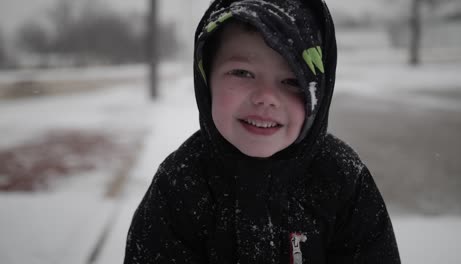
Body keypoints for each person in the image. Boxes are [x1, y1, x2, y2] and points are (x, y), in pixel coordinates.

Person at [124, 0, 401, 263]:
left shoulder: (343, 181)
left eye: (292, 80)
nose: (266, 97)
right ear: (206, 78)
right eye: (242, 73)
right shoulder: (179, 185)